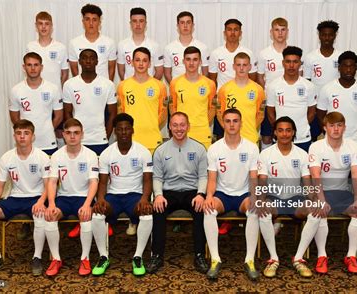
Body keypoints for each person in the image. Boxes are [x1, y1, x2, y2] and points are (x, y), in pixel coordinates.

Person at [0, 120, 50, 276]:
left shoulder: (42, 157)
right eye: (19, 133)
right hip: (15, 198)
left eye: (26, 133)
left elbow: (49, 185)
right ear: (14, 136)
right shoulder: (7, 157)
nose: (22, 137)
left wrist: (41, 201)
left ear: (32, 136)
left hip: (36, 197)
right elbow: (0, 185)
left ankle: (37, 257)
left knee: (40, 214)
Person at [91, 113, 153, 276]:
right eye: (120, 129)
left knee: (147, 213)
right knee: (97, 213)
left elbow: (147, 180)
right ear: (115, 132)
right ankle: (103, 256)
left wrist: (145, 199)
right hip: (114, 196)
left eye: (127, 129)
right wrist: (101, 199)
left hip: (135, 196)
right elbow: (103, 182)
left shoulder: (143, 152)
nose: (124, 132)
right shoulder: (106, 154)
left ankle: (138, 256)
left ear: (132, 130)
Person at [203, 108, 260, 280]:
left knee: (254, 210)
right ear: (223, 123)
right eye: (228, 121)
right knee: (208, 210)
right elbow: (212, 179)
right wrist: (209, 197)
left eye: (235, 120)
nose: (232, 124)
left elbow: (254, 178)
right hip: (223, 195)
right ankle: (215, 259)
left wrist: (254, 197)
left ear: (241, 123)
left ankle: (249, 260)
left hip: (243, 194)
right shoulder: (214, 149)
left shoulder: (251, 148)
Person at [148, 112, 208, 274]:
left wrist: (201, 194)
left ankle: (199, 254)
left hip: (192, 191)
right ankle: (157, 255)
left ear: (188, 126)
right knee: (157, 209)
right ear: (169, 127)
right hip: (169, 191)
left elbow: (203, 176)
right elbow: (157, 177)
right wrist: (158, 195)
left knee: (200, 209)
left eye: (182, 125)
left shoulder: (199, 149)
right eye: (175, 125)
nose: (179, 129)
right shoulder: (161, 150)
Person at [307, 111, 357, 274]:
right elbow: (315, 175)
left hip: (342, 192)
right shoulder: (316, 146)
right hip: (321, 192)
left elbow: (356, 173)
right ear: (325, 128)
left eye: (339, 125)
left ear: (344, 128)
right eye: (332, 125)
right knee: (320, 212)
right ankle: (321, 255)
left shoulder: (353, 146)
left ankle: (351, 256)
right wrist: (321, 200)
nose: (336, 129)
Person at [257, 116, 311, 278]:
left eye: (288, 130)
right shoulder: (265, 154)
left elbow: (307, 182)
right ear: (275, 133)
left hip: (295, 198)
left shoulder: (302, 154)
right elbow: (262, 181)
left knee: (315, 212)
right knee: (263, 211)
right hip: (274, 198)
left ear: (293, 132)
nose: (284, 134)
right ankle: (273, 259)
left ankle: (299, 258)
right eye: (280, 130)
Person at [44, 118, 99, 276]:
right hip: (64, 198)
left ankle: (85, 258)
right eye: (68, 133)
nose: (72, 136)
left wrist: (88, 204)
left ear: (82, 134)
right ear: (63, 135)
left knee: (86, 215)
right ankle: (56, 259)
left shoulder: (90, 155)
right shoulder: (56, 156)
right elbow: (52, 182)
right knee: (50, 216)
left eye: (76, 133)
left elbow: (94, 182)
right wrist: (52, 204)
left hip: (83, 197)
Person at [208, 18, 257, 141]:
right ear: (224, 33)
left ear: (240, 33)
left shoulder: (248, 53)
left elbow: (253, 79)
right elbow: (212, 80)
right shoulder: (216, 53)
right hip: (224, 100)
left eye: (236, 30)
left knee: (245, 133)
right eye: (229, 30)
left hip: (244, 99)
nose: (232, 33)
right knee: (221, 136)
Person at [63, 49, 117, 156]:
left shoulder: (107, 84)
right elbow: (67, 113)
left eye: (92, 58)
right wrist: (74, 134)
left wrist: (106, 135)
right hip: (78, 141)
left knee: (100, 172)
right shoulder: (69, 84)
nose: (88, 61)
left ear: (97, 61)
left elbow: (112, 114)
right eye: (85, 58)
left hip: (99, 139)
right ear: (79, 61)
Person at [9, 52, 63, 155]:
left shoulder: (53, 88)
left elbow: (59, 116)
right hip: (25, 144)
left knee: (49, 171)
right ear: (24, 67)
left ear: (41, 67)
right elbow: (14, 118)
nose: (33, 68)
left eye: (36, 65)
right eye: (29, 65)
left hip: (48, 142)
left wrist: (47, 128)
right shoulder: (16, 90)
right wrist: (25, 133)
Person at [117, 47, 168, 154]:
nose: (141, 64)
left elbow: (163, 114)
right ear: (132, 62)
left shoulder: (160, 86)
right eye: (137, 60)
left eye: (145, 60)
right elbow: (121, 112)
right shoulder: (123, 85)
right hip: (131, 141)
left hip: (153, 141)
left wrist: (151, 124)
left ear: (149, 64)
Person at [266, 46, 316, 152]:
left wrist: (301, 126)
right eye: (288, 61)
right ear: (283, 63)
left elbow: (312, 112)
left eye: (295, 62)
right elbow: (270, 112)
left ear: (300, 63)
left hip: (302, 138)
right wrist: (280, 130)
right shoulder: (273, 86)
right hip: (281, 139)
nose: (291, 65)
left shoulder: (309, 86)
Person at [317, 51, 357, 144]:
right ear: (339, 68)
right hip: (331, 140)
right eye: (345, 66)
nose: (348, 70)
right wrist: (329, 133)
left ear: (356, 68)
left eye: (351, 66)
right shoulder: (327, 88)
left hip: (354, 141)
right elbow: (320, 115)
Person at [169, 46, 216, 149]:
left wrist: (202, 123)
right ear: (183, 61)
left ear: (200, 62)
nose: (191, 63)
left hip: (202, 133)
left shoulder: (210, 84)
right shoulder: (175, 83)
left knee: (203, 165)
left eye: (195, 59)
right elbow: (173, 108)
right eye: (188, 59)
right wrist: (179, 127)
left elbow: (212, 109)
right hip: (181, 134)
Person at [303, 20, 341, 142]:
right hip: (315, 105)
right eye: (324, 34)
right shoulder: (310, 57)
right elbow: (306, 82)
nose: (327, 38)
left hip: (334, 104)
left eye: (330, 35)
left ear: (335, 36)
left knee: (334, 136)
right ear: (319, 36)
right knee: (313, 136)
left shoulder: (340, 57)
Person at [217, 52, 265, 144]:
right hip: (230, 140)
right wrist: (229, 129)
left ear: (250, 67)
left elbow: (260, 114)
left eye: (245, 65)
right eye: (238, 65)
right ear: (234, 66)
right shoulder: (224, 89)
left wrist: (250, 127)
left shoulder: (258, 90)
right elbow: (219, 114)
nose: (241, 68)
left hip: (251, 139)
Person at [257, 17, 289, 150]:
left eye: (283, 30)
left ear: (287, 31)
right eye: (277, 30)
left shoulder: (292, 52)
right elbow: (259, 77)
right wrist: (267, 93)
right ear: (271, 32)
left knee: (286, 134)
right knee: (267, 136)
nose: (280, 33)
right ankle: (267, 164)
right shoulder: (264, 53)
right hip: (270, 101)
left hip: (288, 100)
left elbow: (301, 75)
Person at [68, 4, 116, 80]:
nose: (91, 23)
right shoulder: (74, 43)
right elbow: (74, 69)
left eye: (94, 20)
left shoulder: (109, 42)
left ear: (99, 22)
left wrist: (109, 86)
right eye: (87, 19)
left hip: (103, 87)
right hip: (82, 87)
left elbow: (111, 68)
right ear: (83, 21)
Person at [117, 7, 163, 81]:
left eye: (141, 21)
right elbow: (121, 71)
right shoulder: (122, 45)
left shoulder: (155, 46)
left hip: (148, 89)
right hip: (129, 89)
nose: (138, 24)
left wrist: (149, 85)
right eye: (134, 21)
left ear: (145, 23)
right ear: (130, 23)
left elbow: (159, 72)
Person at [26, 11, 69, 88]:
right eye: (40, 23)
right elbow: (28, 71)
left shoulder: (61, 47)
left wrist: (58, 89)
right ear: (36, 26)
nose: (43, 27)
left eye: (47, 23)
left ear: (51, 26)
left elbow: (65, 73)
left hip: (55, 95)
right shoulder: (30, 47)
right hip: (35, 92)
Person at [163, 11, 209, 83]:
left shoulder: (202, 47)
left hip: (197, 89)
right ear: (178, 25)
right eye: (182, 22)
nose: (185, 25)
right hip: (177, 89)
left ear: (193, 25)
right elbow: (167, 73)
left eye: (188, 22)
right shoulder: (169, 48)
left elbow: (205, 73)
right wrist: (175, 87)